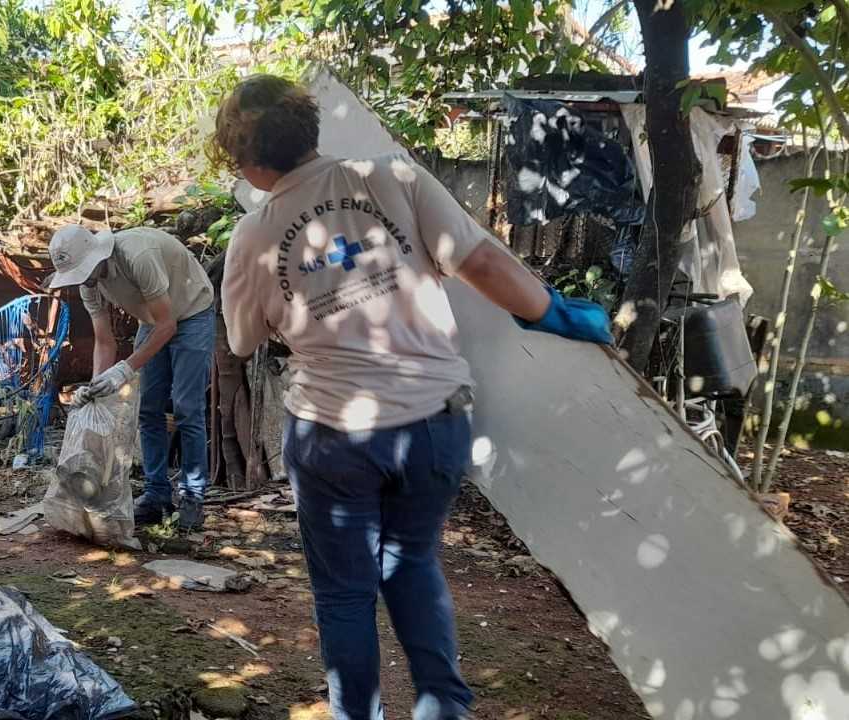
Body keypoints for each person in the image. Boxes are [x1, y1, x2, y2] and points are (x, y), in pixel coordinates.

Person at [211, 75, 612, 720]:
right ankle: (443, 705)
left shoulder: (254, 236)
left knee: (344, 594)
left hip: (330, 433)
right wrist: (551, 312)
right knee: (411, 559)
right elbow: (480, 262)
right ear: (308, 130)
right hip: (434, 420)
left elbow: (240, 338)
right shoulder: (392, 178)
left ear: (250, 164)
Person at [47, 224, 215, 529]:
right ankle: (156, 495)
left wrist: (125, 368)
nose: (81, 280)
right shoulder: (89, 283)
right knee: (148, 410)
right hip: (153, 321)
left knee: (187, 407)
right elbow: (104, 340)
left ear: (96, 255)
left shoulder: (138, 255)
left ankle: (193, 496)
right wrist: (96, 386)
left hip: (191, 313)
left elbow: (169, 325)